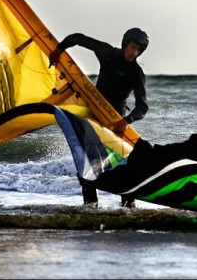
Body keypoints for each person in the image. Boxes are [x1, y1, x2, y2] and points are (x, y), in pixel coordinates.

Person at [48, 27, 149, 208]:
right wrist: (59, 50)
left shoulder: (136, 73)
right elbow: (79, 38)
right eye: (132, 47)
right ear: (126, 43)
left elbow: (142, 107)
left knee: (122, 168)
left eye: (138, 50)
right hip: (94, 118)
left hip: (116, 123)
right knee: (87, 163)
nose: (134, 53)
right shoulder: (107, 53)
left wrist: (126, 122)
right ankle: (90, 207)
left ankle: (128, 209)